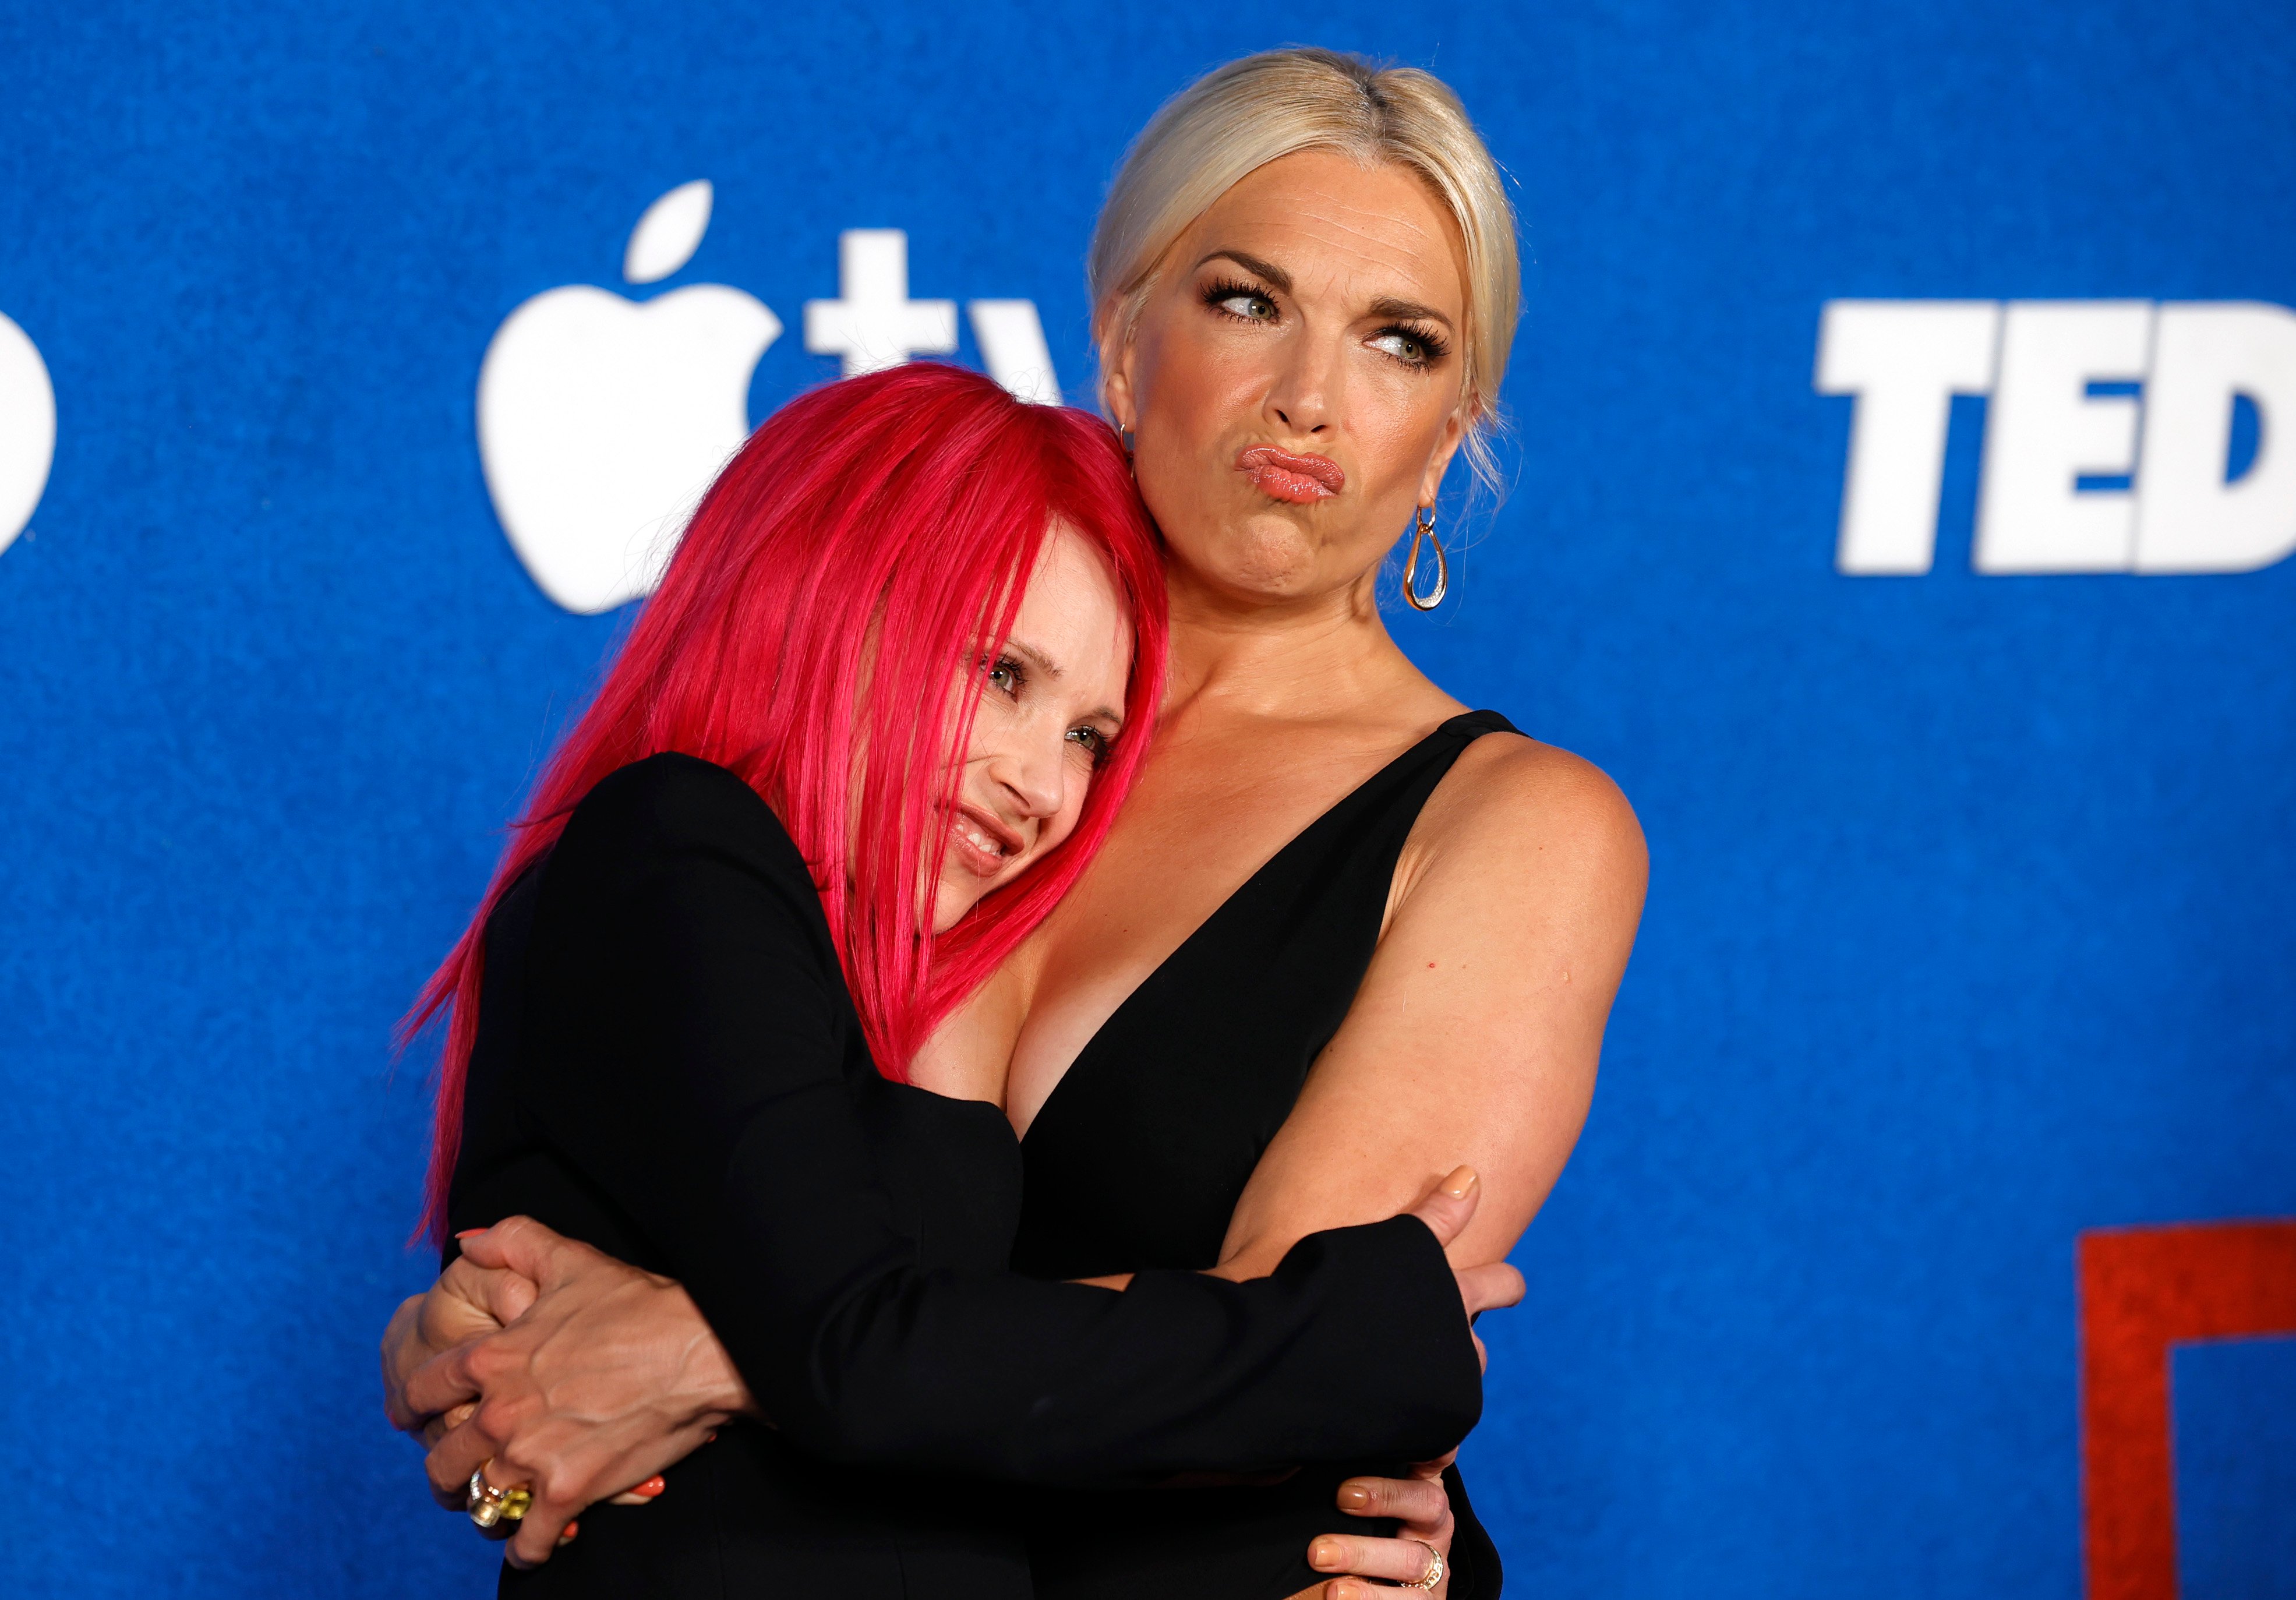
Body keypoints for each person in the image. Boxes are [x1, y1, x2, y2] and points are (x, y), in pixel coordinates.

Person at [386, 48, 1648, 1600]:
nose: (1310, 398)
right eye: (1247, 301)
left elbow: (1288, 1381)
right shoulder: (910, 730)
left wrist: (711, 1350)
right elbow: (686, 1142)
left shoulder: (1511, 823)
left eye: (1399, 342)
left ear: (1449, 435)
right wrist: (493, 1333)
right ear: (1123, 343)